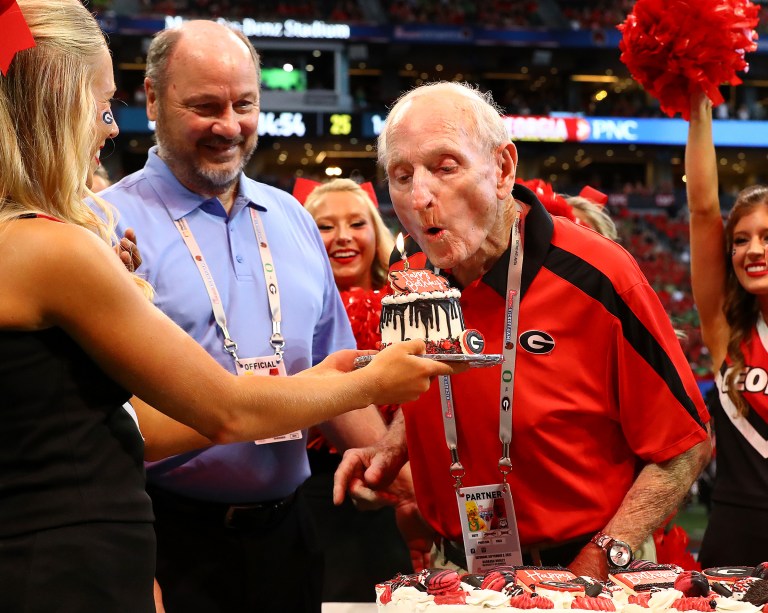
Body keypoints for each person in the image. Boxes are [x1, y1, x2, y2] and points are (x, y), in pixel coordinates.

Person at [0, 3, 458, 610]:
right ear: (154, 99)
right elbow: (224, 411)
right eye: (100, 103)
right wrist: (370, 382)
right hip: (107, 554)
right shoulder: (74, 236)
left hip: (260, 535)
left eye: (244, 104)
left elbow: (125, 425)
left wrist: (368, 442)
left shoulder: (291, 218)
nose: (111, 126)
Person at [334, 81, 712, 580]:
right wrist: (391, 450)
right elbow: (447, 383)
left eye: (446, 168)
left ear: (503, 169)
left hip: (586, 572)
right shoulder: (413, 282)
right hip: (458, 571)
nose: (420, 196)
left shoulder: (598, 275)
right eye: (401, 176)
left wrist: (601, 557)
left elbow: (686, 444)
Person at [301, 178, 420, 600]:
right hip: (325, 493)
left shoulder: (418, 300)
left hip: (415, 484)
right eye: (326, 227)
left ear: (376, 231)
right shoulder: (293, 314)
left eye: (356, 223)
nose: (344, 237)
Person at [685, 91, 768, 565]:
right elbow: (701, 209)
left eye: (767, 237)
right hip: (732, 540)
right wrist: (700, 100)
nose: (752, 250)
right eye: (741, 240)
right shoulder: (725, 329)